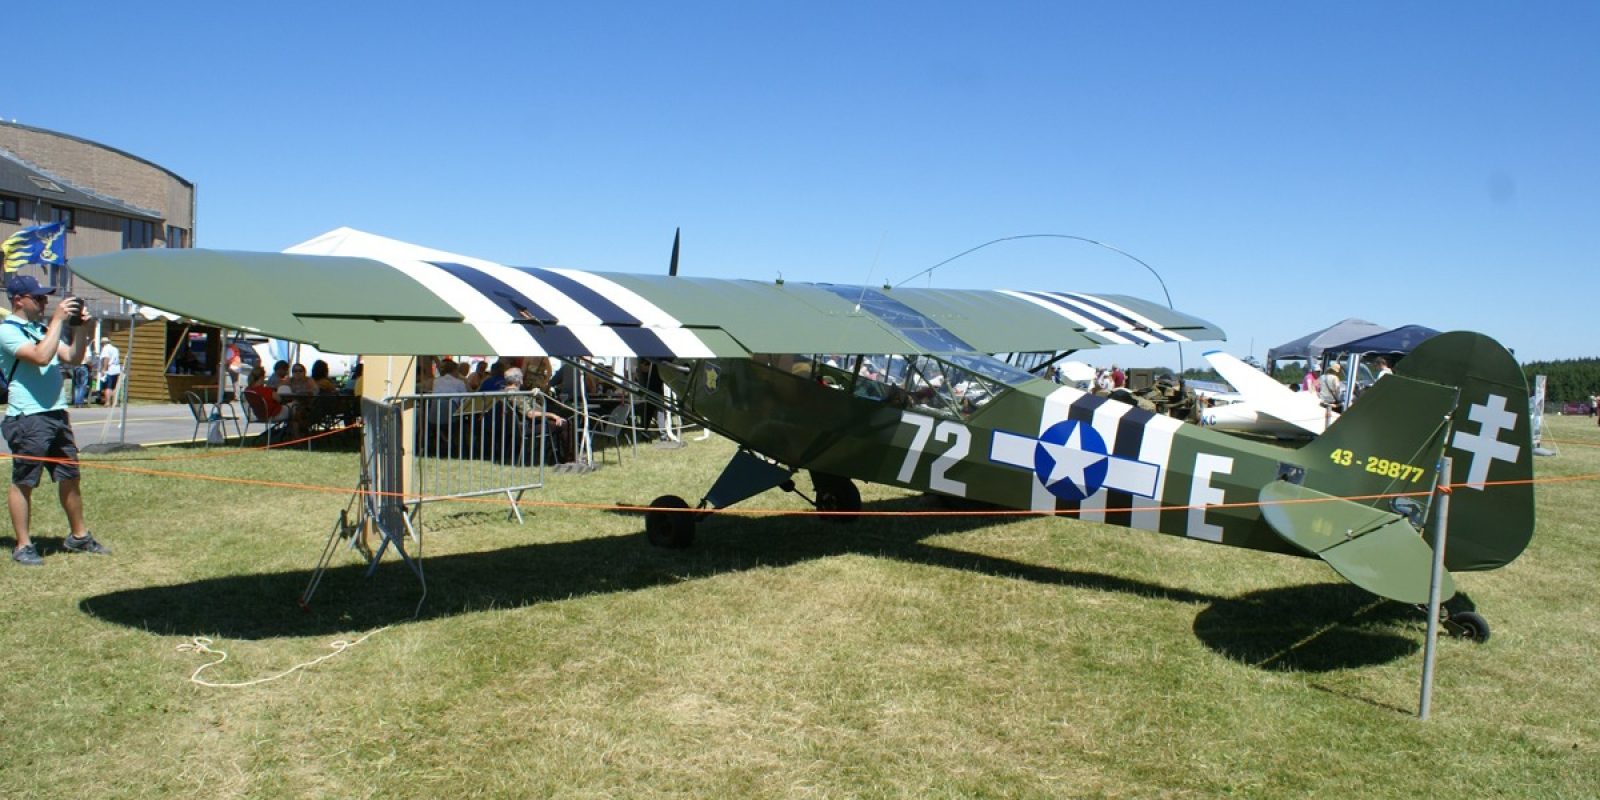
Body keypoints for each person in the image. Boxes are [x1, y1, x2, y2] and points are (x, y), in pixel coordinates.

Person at [0, 276, 107, 565]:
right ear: (18, 300)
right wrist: (59, 319)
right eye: (39, 298)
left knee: (70, 476)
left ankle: (79, 536)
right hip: (27, 416)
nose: (45, 302)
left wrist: (83, 329)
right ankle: (23, 545)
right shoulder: (7, 331)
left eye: (46, 298)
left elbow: (72, 357)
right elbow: (40, 356)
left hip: (56, 414)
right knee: (24, 480)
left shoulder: (41, 329)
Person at [243, 364, 295, 434]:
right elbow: (280, 400)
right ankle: (295, 434)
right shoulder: (266, 391)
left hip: (259, 415)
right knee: (295, 406)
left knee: (292, 408)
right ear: (262, 377)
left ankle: (286, 432)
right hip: (274, 414)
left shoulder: (247, 390)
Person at [97, 336, 122, 407]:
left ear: (103, 343)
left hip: (109, 369)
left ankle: (107, 402)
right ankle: (115, 402)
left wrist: (104, 369)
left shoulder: (105, 349)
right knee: (114, 387)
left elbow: (106, 358)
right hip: (116, 369)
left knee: (108, 387)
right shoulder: (115, 349)